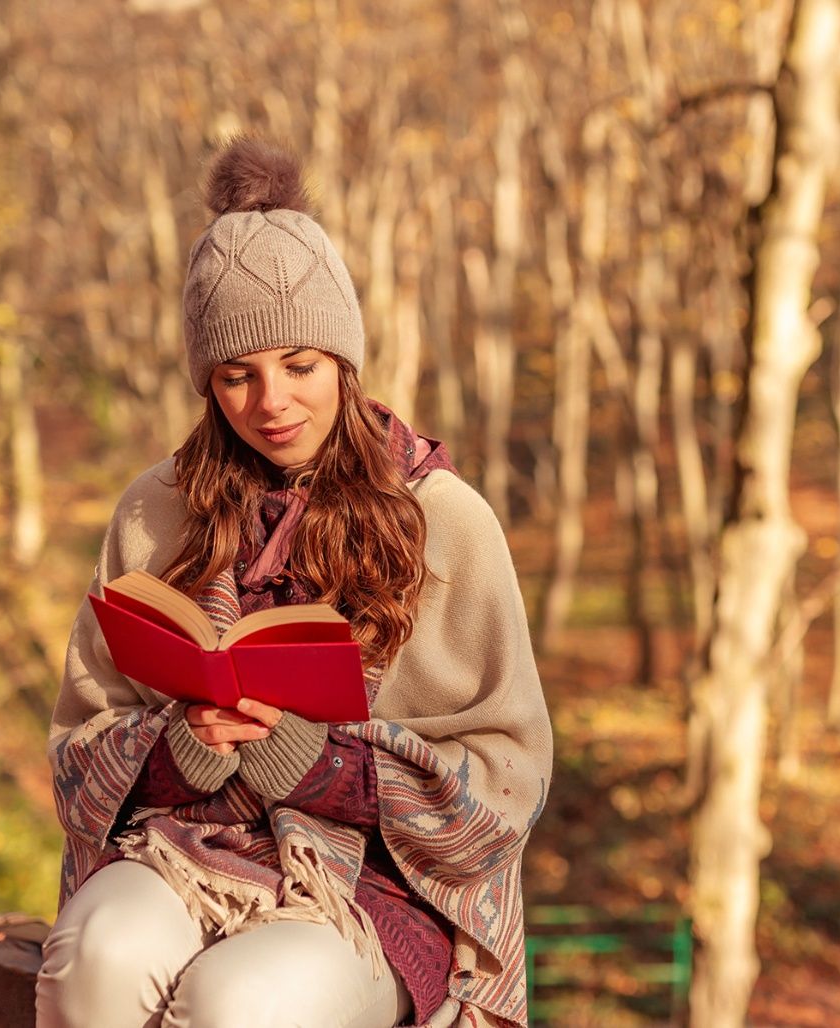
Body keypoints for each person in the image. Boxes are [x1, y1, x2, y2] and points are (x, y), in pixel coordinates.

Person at [36, 136, 552, 1028]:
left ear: (344, 364)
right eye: (237, 375)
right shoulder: (153, 510)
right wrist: (180, 747)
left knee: (241, 1001)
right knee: (97, 953)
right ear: (208, 384)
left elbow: (510, 780)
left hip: (381, 889)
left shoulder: (448, 519)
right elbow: (79, 750)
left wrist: (323, 765)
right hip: (190, 848)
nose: (271, 401)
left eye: (299, 367)